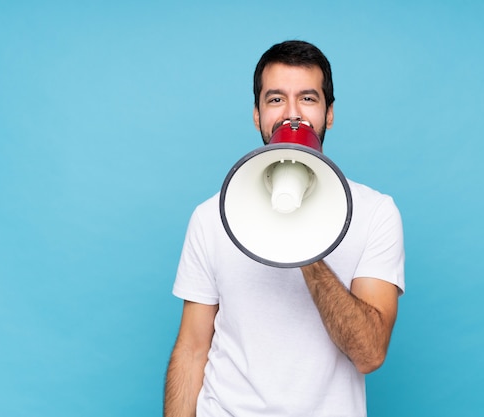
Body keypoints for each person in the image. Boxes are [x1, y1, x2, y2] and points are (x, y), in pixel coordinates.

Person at [164, 40, 405, 417]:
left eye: (308, 98)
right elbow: (192, 349)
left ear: (329, 113)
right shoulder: (211, 217)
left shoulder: (376, 213)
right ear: (257, 116)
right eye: (275, 99)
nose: (293, 115)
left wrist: (300, 241)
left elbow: (369, 353)